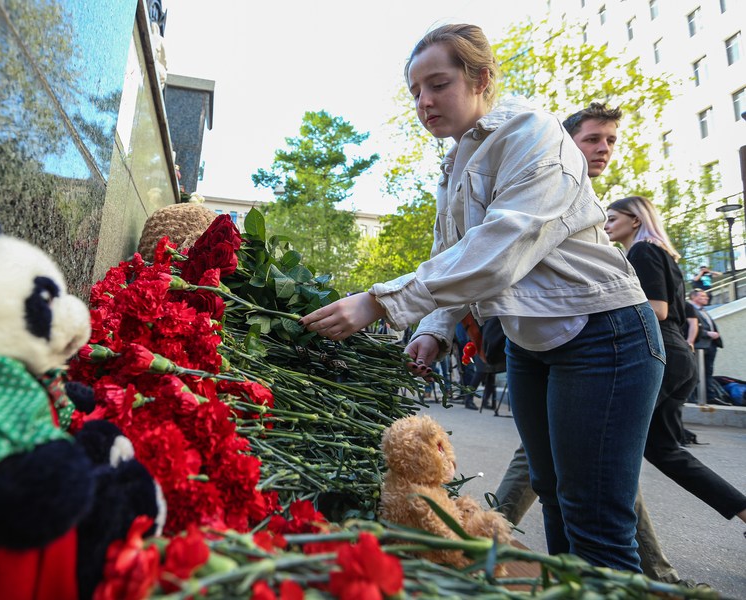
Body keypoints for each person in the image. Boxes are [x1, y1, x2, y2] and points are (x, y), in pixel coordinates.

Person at [300, 24, 664, 572]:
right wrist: (433, 328)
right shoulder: (454, 163)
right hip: (532, 344)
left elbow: (500, 248)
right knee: (556, 499)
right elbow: (454, 249)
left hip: (604, 334)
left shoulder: (532, 133)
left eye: (438, 84)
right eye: (415, 92)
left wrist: (379, 302)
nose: (424, 103)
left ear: (482, 79)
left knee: (595, 519)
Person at [493, 103, 684, 583]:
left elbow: (659, 309)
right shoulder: (546, 177)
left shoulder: (620, 231)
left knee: (595, 501)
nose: (604, 149)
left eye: (610, 140)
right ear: (563, 140)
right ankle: (627, 577)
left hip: (609, 344)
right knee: (566, 488)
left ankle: (651, 573)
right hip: (539, 343)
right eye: (593, 139)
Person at [604, 196, 746, 530]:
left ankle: (610, 540)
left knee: (604, 445)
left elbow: (658, 309)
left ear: (635, 220)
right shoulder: (659, 252)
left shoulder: (643, 250)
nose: (607, 225)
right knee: (663, 450)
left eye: (612, 218)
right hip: (677, 356)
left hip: (660, 355)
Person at [688, 288, 729, 405]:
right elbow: (689, 327)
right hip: (699, 345)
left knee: (708, 372)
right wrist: (707, 333)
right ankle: (693, 398)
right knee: (695, 373)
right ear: (693, 297)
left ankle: (710, 397)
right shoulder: (689, 309)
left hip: (711, 345)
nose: (706, 298)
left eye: (705, 296)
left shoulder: (703, 311)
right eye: (702, 296)